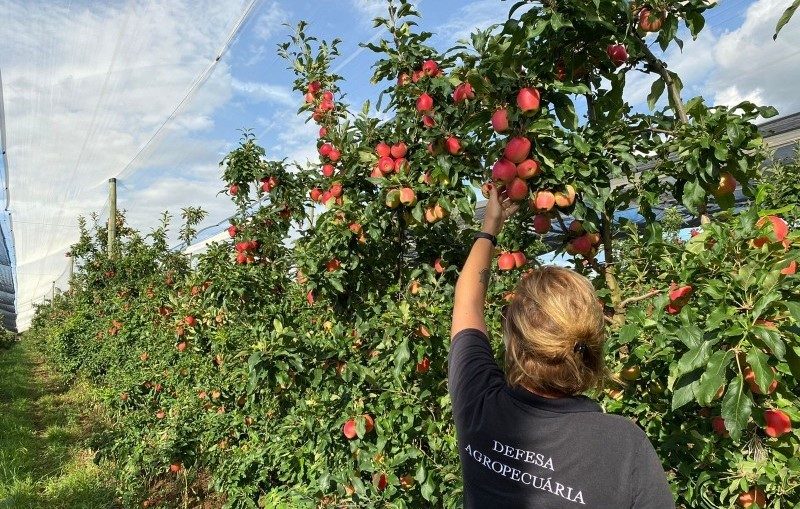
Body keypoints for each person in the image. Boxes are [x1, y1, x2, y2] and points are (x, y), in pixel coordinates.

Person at [448, 185, 675, 508]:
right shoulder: (622, 446)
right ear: (593, 342)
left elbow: (467, 302)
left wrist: (491, 226)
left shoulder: (478, 403)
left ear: (514, 339)